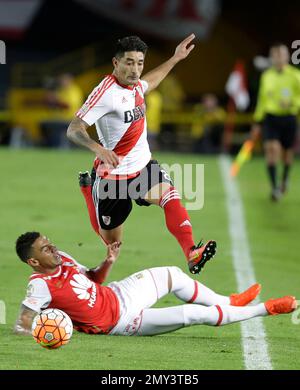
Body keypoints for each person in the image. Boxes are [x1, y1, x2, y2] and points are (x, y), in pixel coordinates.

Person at [67, 34, 216, 275]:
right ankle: (88, 193)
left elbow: (149, 82)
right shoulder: (105, 93)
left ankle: (191, 252)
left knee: (171, 197)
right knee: (112, 244)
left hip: (143, 168)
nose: (135, 69)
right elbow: (74, 129)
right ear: (116, 63)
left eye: (139, 62)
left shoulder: (135, 84)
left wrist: (176, 58)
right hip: (112, 178)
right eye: (129, 62)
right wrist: (99, 149)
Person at [14, 232, 297, 337]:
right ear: (34, 262)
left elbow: (93, 279)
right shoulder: (40, 285)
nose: (52, 247)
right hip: (120, 321)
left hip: (117, 292)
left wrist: (108, 261)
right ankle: (267, 309)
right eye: (44, 248)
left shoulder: (63, 258)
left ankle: (229, 301)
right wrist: (45, 333)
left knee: (171, 274)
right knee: (193, 314)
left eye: (49, 242)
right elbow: (23, 322)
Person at [251, 43, 300, 201]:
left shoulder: (295, 75)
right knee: (272, 149)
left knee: (286, 155)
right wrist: (257, 122)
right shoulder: (267, 76)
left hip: (288, 118)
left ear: (287, 57)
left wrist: (293, 103)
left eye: (281, 55)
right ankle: (275, 188)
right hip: (271, 118)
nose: (278, 58)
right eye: (275, 55)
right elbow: (262, 100)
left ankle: (284, 179)